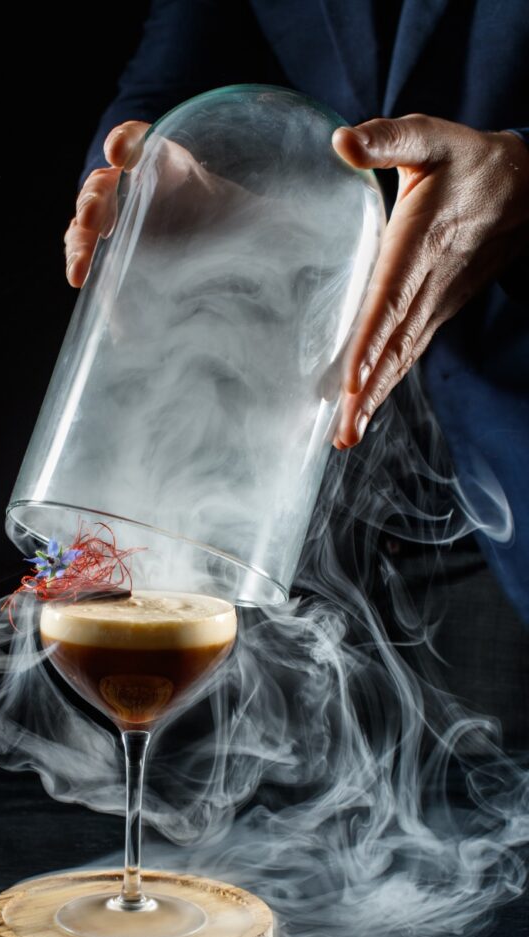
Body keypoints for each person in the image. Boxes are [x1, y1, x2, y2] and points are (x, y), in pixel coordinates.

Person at [61, 1, 529, 734]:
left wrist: (523, 175)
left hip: (509, 469)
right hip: (283, 486)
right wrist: (148, 177)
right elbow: (169, 84)